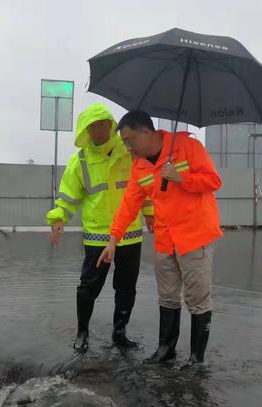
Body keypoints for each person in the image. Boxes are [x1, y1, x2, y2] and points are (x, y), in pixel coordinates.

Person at [97, 111, 223, 368]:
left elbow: (213, 181)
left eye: (129, 140)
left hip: (194, 235)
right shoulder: (140, 165)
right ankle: (166, 350)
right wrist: (113, 240)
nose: (128, 147)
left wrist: (180, 178)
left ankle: (196, 359)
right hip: (165, 239)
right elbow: (129, 205)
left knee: (197, 300)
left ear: (146, 132)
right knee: (167, 297)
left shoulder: (188, 147)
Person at [46, 103, 154, 353]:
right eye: (92, 126)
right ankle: (82, 332)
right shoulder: (80, 160)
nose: (99, 130)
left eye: (103, 124)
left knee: (126, 287)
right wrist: (58, 218)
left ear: (110, 125)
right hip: (97, 235)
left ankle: (119, 332)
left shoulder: (129, 152)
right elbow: (68, 195)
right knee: (88, 286)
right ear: (86, 130)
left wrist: (150, 213)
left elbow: (144, 185)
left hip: (129, 234)